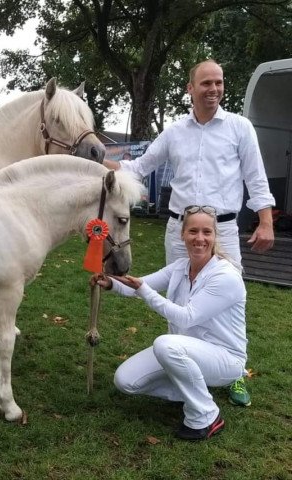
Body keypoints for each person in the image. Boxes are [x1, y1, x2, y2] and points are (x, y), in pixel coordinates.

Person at [103, 59, 275, 407]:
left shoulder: (240, 128)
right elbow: (138, 167)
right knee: (179, 297)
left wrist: (266, 220)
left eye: (219, 83)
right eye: (206, 83)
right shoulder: (174, 133)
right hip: (179, 229)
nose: (214, 89)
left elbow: (256, 177)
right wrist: (95, 163)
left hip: (223, 230)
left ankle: (233, 372)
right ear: (190, 88)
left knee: (227, 303)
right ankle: (180, 367)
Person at [91, 206, 247, 440]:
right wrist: (110, 283)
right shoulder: (180, 267)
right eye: (193, 231)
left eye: (207, 232)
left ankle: (206, 415)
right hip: (184, 349)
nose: (200, 238)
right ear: (183, 234)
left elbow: (185, 316)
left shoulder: (225, 276)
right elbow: (139, 285)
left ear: (215, 236)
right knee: (126, 381)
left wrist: (144, 291)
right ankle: (195, 391)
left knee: (165, 344)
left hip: (225, 360)